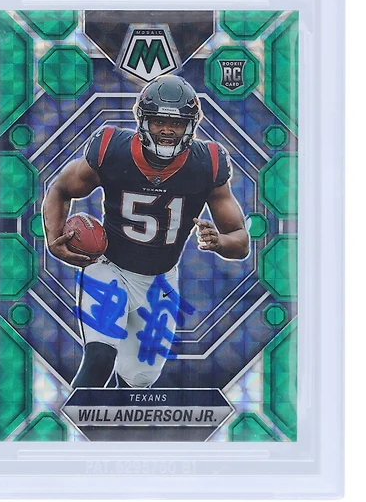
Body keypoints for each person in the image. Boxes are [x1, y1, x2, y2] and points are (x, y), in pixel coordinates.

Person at [42, 75, 249, 389]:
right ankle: (72, 421)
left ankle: (116, 421)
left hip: (160, 283)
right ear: (142, 120)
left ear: (191, 125)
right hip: (109, 268)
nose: (167, 130)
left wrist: (219, 241)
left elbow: (241, 241)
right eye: (159, 121)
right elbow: (60, 188)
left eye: (176, 123)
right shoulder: (112, 149)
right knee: (99, 357)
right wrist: (54, 237)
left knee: (137, 381)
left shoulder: (207, 164)